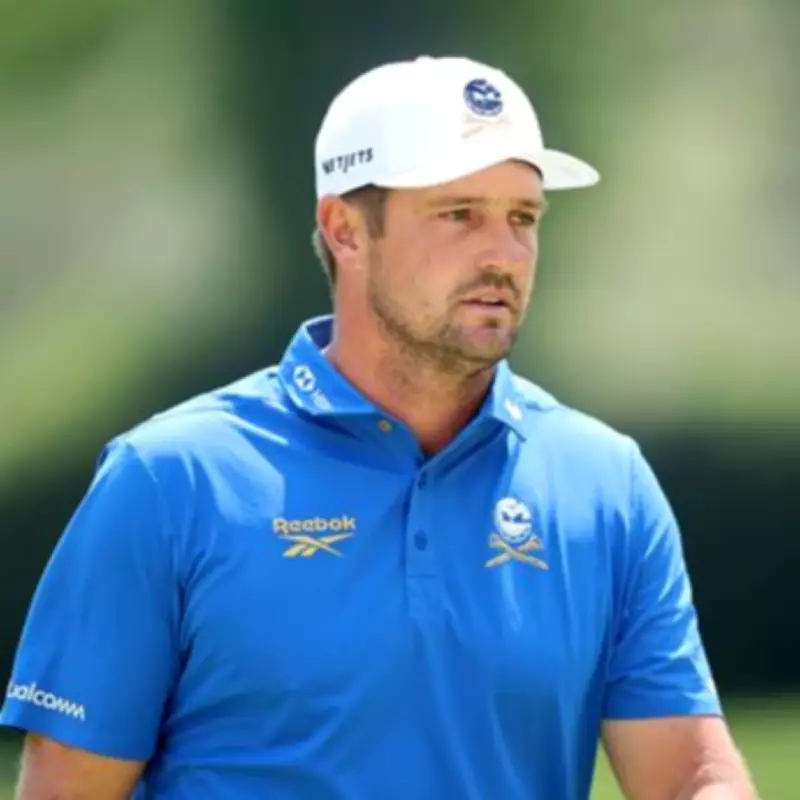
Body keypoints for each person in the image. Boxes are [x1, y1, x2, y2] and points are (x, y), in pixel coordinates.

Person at [1, 55, 757, 799]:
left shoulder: (606, 482)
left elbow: (687, 775)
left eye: (523, 218)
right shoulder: (169, 479)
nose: (503, 254)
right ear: (345, 230)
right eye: (459, 215)